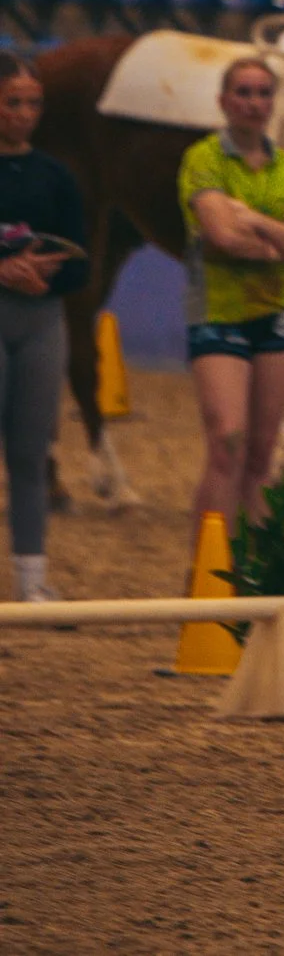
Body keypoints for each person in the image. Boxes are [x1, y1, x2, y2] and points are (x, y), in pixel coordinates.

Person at [178, 57, 284, 537]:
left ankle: (254, 572)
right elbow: (221, 234)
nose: (255, 103)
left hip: (274, 314)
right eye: (244, 92)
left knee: (261, 454)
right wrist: (281, 243)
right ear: (223, 102)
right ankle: (208, 575)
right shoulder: (204, 159)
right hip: (217, 312)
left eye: (264, 93)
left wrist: (258, 223)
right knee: (226, 444)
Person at [0, 53, 85, 602]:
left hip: (40, 322)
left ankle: (32, 579)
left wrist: (42, 276)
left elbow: (81, 261)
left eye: (34, 104)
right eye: (13, 103)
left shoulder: (55, 176)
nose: (25, 114)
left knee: (30, 453)